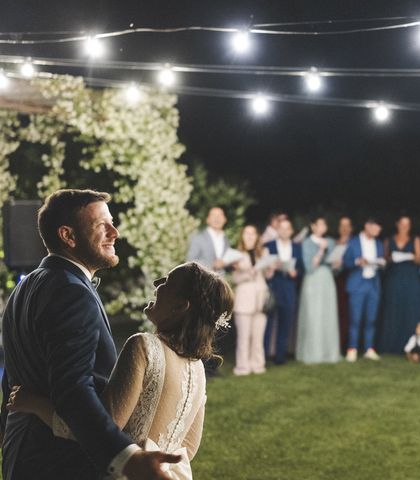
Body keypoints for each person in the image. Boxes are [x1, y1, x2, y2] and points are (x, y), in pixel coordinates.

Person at [0, 189, 181, 479]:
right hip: (60, 461)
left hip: (21, 452)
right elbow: (72, 388)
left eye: (112, 223)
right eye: (102, 226)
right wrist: (125, 457)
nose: (114, 232)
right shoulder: (71, 291)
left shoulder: (26, 286)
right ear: (68, 236)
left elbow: (13, 377)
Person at [7, 261, 234, 480]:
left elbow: (100, 426)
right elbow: (189, 447)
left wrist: (33, 403)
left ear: (180, 307)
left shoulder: (144, 347)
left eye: (167, 281)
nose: (157, 283)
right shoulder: (198, 369)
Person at [296, 216, 341, 364]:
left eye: (324, 224)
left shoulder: (331, 242)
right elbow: (310, 267)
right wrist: (321, 250)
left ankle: (329, 352)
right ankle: (312, 352)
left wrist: (336, 263)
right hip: (313, 280)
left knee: (327, 314)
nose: (322, 227)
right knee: (313, 314)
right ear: (313, 226)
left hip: (327, 279)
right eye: (319, 224)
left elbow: (336, 269)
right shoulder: (307, 243)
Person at [343, 217, 386, 362]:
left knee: (371, 318)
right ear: (368, 226)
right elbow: (346, 261)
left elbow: (381, 260)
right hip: (358, 284)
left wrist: (380, 263)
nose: (378, 230)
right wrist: (357, 262)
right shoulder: (354, 242)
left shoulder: (379, 243)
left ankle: (369, 348)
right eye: (376, 227)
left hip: (373, 284)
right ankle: (352, 348)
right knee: (355, 318)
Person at [232, 225, 273, 375]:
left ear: (257, 237)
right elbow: (235, 278)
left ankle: (258, 364)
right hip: (244, 298)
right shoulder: (236, 254)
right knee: (244, 336)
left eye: (253, 233)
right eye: (246, 233)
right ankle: (242, 367)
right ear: (242, 236)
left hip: (261, 298)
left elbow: (268, 276)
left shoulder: (263, 253)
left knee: (258, 335)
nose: (250, 236)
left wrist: (270, 268)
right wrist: (249, 273)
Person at [379, 216, 420, 354]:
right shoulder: (388, 240)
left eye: (407, 224)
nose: (404, 227)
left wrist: (411, 257)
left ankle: (411, 345)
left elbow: (419, 260)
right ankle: (390, 345)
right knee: (393, 310)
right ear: (397, 224)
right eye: (402, 224)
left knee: (410, 310)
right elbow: (384, 259)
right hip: (394, 279)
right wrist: (390, 258)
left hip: (410, 279)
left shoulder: (415, 239)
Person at [264, 219, 304, 365]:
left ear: (291, 231)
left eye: (287, 228)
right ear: (277, 230)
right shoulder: (268, 245)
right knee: (267, 323)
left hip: (289, 287)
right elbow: (263, 264)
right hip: (273, 285)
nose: (284, 231)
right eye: (282, 228)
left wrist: (296, 272)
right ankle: (264, 356)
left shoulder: (297, 247)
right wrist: (272, 266)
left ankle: (280, 357)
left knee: (285, 323)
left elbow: (301, 269)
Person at [186, 206, 230, 274]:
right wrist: (212, 265)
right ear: (208, 220)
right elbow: (190, 261)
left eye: (220, 215)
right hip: (203, 280)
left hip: (222, 281)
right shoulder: (198, 237)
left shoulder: (226, 239)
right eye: (213, 215)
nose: (217, 218)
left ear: (225, 219)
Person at [335, 216, 353, 351]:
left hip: (351, 279)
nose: (345, 228)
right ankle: (338, 343)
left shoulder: (355, 243)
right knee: (339, 312)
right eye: (342, 225)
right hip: (337, 281)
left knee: (350, 313)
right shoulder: (334, 243)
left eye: (347, 225)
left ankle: (349, 344)